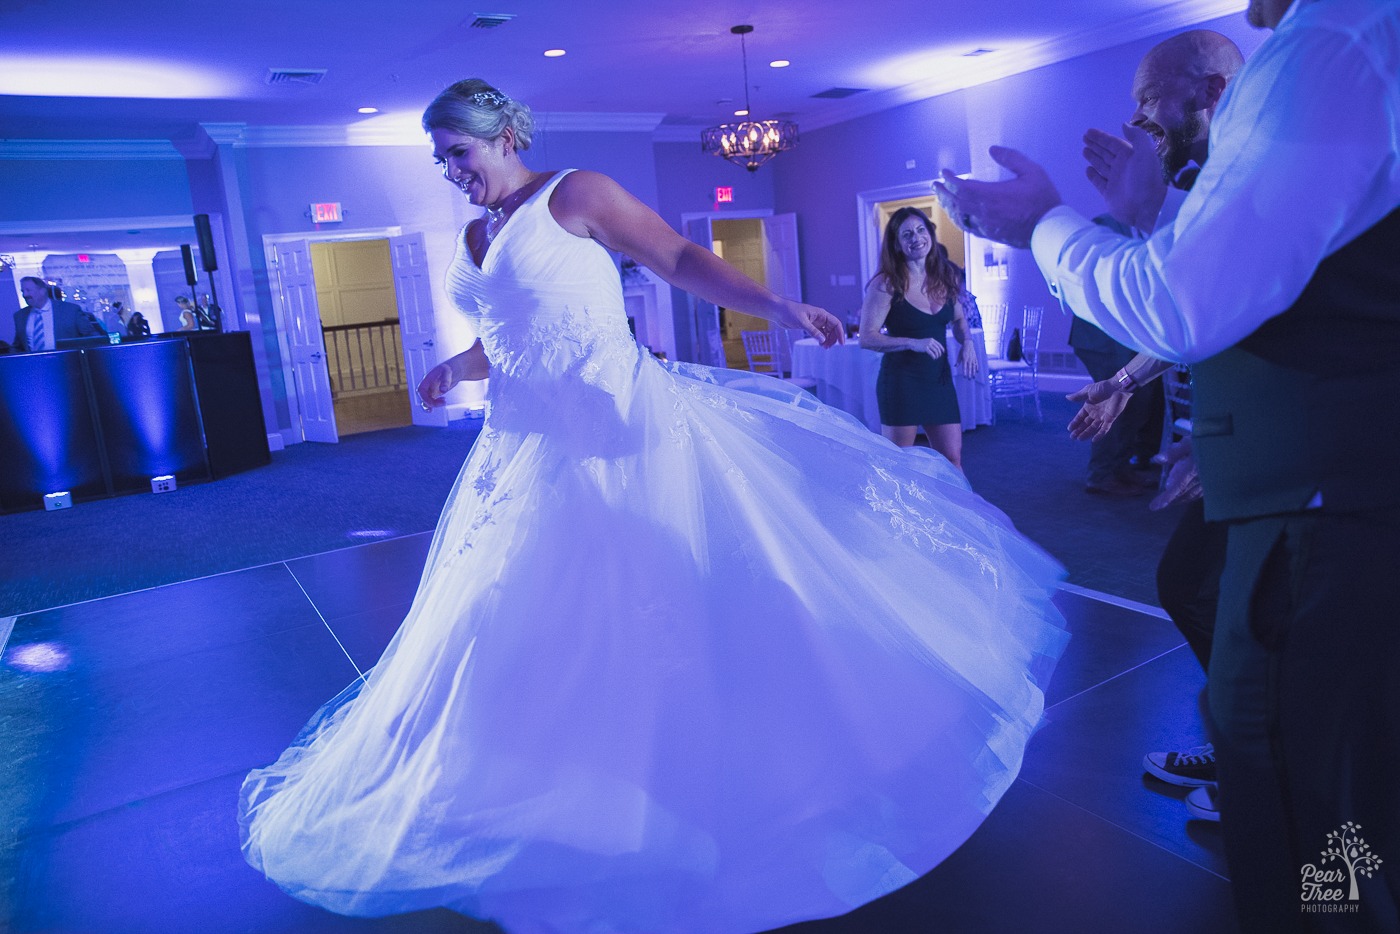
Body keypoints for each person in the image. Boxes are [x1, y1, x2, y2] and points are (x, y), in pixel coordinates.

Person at [240, 78, 1068, 933]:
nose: (450, 170)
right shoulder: (476, 230)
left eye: (459, 152)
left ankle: (701, 784)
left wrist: (777, 303)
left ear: (506, 135)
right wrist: (458, 368)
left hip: (622, 436)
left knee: (661, 603)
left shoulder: (578, 194)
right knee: (531, 616)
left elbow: (675, 257)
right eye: (440, 157)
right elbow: (512, 329)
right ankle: (562, 786)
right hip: (524, 454)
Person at [935, 1, 1400, 930]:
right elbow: (1283, 288)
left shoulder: (1333, 41)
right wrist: (1222, 423)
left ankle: (1336, 918)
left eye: (1155, 101)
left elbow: (1184, 300)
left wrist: (1045, 227)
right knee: (1333, 783)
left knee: (1303, 788)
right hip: (1306, 480)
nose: (1144, 118)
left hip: (1320, 502)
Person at [1065, 29, 1243, 801]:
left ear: (1206, 92)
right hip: (1240, 443)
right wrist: (1127, 383)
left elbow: (1239, 309)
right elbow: (1190, 318)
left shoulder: (1246, 179)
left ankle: (1266, 763)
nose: (1137, 120)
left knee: (1213, 592)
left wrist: (1137, 220)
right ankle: (1247, 747)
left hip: (1293, 454)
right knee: (1206, 590)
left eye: (1147, 99)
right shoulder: (1204, 176)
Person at [858, 208, 979, 469]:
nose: (917, 238)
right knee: (899, 464)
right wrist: (913, 342)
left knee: (952, 459)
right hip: (902, 383)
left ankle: (956, 511)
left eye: (921, 230)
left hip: (939, 381)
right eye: (907, 234)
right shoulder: (885, 284)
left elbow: (959, 319)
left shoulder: (945, 277)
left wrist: (967, 342)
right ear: (897, 244)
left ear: (930, 234)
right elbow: (866, 338)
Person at [12, 276, 106, 352]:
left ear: (42, 291)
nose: (25, 295)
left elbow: (91, 337)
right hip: (36, 367)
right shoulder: (20, 316)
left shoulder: (70, 311)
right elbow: (19, 345)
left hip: (67, 365)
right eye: (23, 291)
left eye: (28, 290)